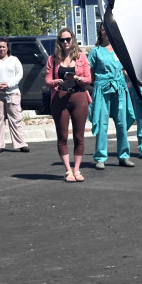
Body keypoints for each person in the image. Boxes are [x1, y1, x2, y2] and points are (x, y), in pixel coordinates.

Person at [45, 28, 91, 182]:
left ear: (73, 40)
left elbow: (88, 79)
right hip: (60, 96)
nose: (65, 42)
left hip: (79, 97)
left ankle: (77, 170)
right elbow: (47, 80)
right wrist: (56, 82)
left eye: (68, 39)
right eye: (62, 39)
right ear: (59, 41)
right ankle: (68, 170)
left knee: (79, 136)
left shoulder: (81, 57)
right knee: (62, 136)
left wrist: (77, 77)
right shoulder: (53, 59)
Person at [87, 24, 134, 169]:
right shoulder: (96, 51)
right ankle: (100, 157)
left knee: (121, 123)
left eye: (108, 29)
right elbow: (91, 73)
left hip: (119, 89)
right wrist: (100, 84)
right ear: (100, 32)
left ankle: (124, 156)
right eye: (103, 29)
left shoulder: (119, 50)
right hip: (102, 90)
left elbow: (126, 66)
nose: (106, 32)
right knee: (102, 124)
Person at [0, 39, 29, 154]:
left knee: (15, 119)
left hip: (12, 93)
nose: (2, 49)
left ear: (8, 48)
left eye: (4, 47)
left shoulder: (14, 60)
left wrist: (9, 85)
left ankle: (21, 143)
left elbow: (19, 74)